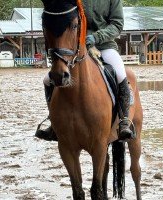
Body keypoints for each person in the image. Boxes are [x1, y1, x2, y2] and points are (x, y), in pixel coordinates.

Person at [35, 0, 136, 141]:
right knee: (47, 80)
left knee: (120, 74)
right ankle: (53, 123)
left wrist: (96, 37)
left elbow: (117, 24)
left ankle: (124, 121)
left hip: (104, 45)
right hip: (76, 47)